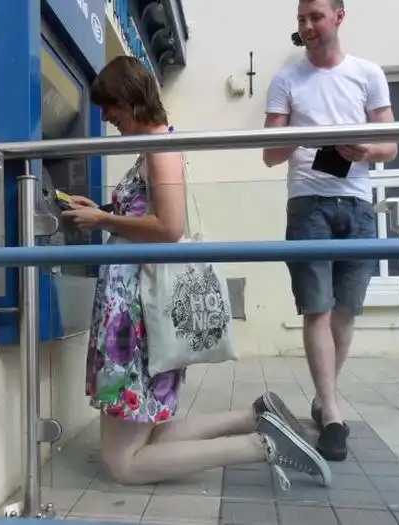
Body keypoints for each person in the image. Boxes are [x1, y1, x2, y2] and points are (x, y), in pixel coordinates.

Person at [62, 55, 331, 489]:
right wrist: (104, 211)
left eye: (109, 106)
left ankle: (259, 445)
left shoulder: (159, 148)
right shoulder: (153, 147)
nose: (106, 116)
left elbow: (170, 228)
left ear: (130, 100)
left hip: (140, 314)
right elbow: (147, 216)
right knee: (148, 434)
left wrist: (105, 221)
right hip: (138, 308)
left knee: (124, 464)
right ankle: (254, 416)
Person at [263, 0, 398, 462]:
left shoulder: (368, 73)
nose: (307, 26)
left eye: (315, 17)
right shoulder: (286, 79)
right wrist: (302, 135)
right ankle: (334, 414)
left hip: (357, 204)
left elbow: (390, 145)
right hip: (308, 205)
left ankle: (325, 401)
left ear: (339, 16)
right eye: (301, 19)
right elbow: (268, 154)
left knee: (345, 312)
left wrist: (365, 150)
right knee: (316, 309)